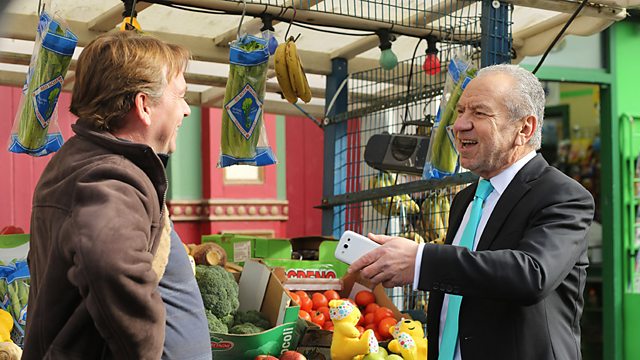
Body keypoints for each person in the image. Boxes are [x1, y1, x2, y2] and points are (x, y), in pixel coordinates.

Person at [350, 64, 595, 360]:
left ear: (524, 128)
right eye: (460, 111)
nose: (459, 125)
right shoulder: (465, 199)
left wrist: (420, 260)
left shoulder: (563, 196)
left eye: (479, 113)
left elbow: (532, 274)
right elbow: (466, 283)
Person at [23, 31, 211, 360]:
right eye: (179, 95)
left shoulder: (87, 161)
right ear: (144, 105)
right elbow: (108, 265)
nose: (186, 110)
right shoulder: (111, 174)